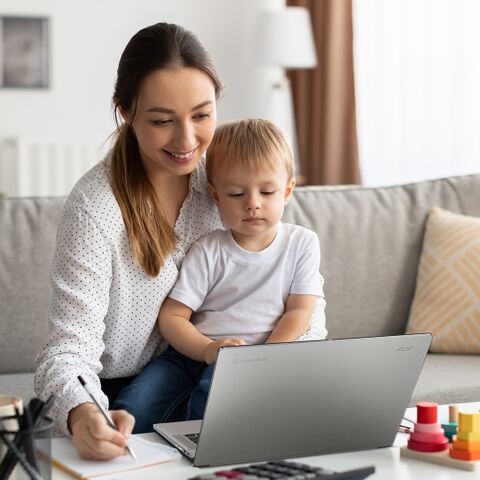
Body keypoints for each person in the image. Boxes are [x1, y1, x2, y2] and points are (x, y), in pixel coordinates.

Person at [34, 22, 225, 460]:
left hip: (218, 375)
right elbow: (66, 351)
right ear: (126, 113)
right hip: (123, 397)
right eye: (162, 121)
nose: (187, 140)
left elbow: (288, 275)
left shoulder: (228, 183)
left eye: (202, 115)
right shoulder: (96, 207)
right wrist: (83, 414)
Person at [111, 119, 327, 427]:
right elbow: (172, 317)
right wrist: (207, 349)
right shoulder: (208, 249)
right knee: (134, 407)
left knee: (211, 412)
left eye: (267, 192)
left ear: (288, 191)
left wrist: (264, 360)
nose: (253, 204)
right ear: (216, 197)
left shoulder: (302, 243)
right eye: (237, 195)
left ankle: (187, 450)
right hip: (192, 355)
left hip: (255, 357)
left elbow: (299, 312)